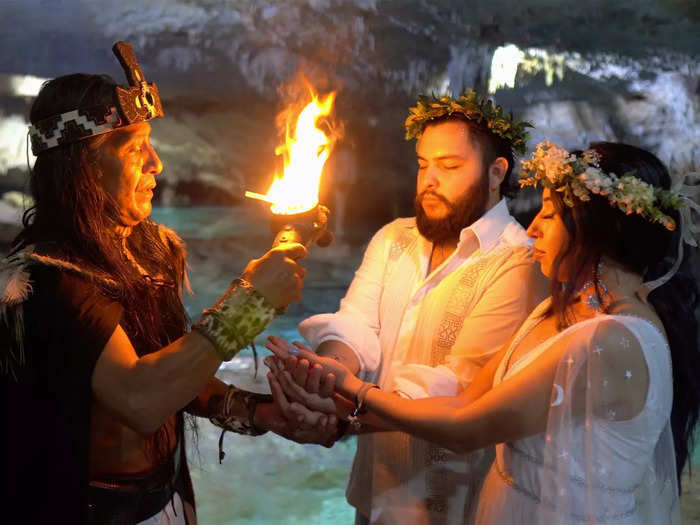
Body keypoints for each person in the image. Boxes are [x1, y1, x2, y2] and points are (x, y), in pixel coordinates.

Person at [268, 141, 700, 524]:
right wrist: (338, 399)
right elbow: (466, 399)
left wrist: (352, 390)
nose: (534, 228)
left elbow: (467, 426)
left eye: (549, 214)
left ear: (596, 231)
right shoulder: (555, 311)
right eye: (423, 163)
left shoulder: (610, 339)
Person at [0, 42, 335, 524]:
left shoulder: (149, 249)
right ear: (84, 167)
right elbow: (142, 398)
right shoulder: (45, 281)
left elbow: (174, 370)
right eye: (136, 149)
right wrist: (249, 303)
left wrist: (260, 413)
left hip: (167, 501)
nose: (156, 164)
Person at [279, 90, 547, 524]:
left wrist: (338, 412)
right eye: (423, 164)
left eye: (450, 166)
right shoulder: (394, 238)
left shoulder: (519, 262)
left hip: (457, 503)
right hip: (374, 491)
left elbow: (458, 386)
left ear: (496, 172)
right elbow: (355, 325)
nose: (429, 180)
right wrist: (324, 374)